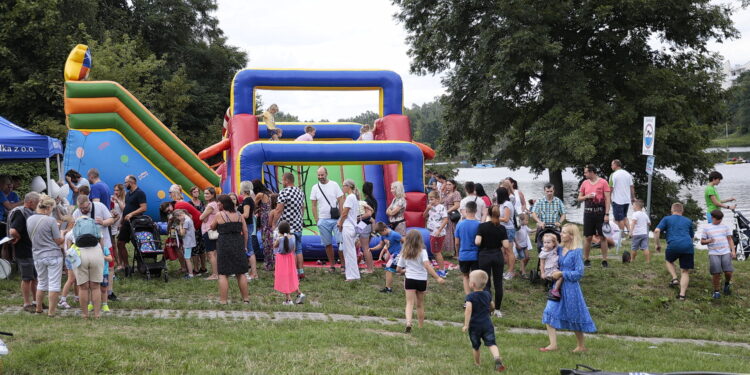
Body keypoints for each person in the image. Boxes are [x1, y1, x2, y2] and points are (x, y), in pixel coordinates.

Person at [540, 224, 596, 352]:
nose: (561, 234)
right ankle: (553, 344)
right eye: (562, 232)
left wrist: (562, 273)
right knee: (549, 311)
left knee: (574, 315)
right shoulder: (559, 249)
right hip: (557, 287)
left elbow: (579, 273)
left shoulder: (576, 252)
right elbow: (547, 254)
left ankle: (581, 346)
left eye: (564, 232)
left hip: (571, 288)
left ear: (571, 236)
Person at [397, 229, 445, 333]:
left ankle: (408, 322)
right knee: (420, 304)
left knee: (409, 303)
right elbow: (427, 265)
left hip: (410, 279)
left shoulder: (404, 252)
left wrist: (405, 270)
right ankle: (420, 326)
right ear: (420, 240)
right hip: (421, 280)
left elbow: (398, 269)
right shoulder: (423, 252)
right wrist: (437, 277)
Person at [72, 195, 114, 313]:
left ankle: (108, 293)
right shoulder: (76, 213)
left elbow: (111, 219)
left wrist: (104, 222)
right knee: (89, 282)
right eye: (81, 209)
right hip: (84, 250)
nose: (84, 211)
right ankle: (92, 304)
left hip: (103, 245)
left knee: (108, 270)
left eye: (85, 208)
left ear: (89, 203)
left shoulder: (100, 206)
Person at [26, 195, 65, 316]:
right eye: (52, 209)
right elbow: (58, 240)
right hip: (53, 255)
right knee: (54, 284)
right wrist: (63, 232)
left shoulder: (30, 219)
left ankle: (38, 308)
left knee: (42, 282)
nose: (52, 211)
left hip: (37, 255)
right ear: (47, 208)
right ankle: (51, 312)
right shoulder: (51, 220)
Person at [462, 270, 506, 372]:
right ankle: (496, 357)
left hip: (475, 326)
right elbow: (492, 306)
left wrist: (466, 325)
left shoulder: (470, 297)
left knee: (476, 346)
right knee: (491, 343)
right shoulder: (487, 294)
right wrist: (490, 310)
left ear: (472, 284)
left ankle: (477, 364)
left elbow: (468, 310)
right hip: (487, 324)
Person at [211, 194, 250, 304]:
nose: (218, 204)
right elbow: (245, 232)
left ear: (223, 204)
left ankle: (223, 301)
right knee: (241, 273)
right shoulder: (239, 215)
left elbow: (212, 227)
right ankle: (246, 299)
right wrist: (245, 246)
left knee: (223, 273)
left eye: (219, 203)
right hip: (238, 244)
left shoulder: (219, 215)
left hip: (224, 245)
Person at [475, 205, 512, 318]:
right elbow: (505, 245)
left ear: (489, 214)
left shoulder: (482, 226)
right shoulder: (501, 228)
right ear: (498, 215)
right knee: (498, 283)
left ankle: (489, 306)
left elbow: (477, 242)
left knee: (486, 283)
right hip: (497, 256)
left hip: (484, 256)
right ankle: (497, 309)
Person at [653, 203, 694, 301]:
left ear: (672, 211)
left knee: (669, 260)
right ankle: (682, 295)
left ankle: (675, 278)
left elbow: (656, 231)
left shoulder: (667, 219)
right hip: (688, 246)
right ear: (682, 211)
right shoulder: (688, 221)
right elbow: (692, 237)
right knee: (685, 271)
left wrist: (657, 244)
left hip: (673, 245)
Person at [7, 192, 40, 312]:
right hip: (23, 250)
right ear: (30, 202)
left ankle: (37, 301)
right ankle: (27, 303)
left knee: (35, 277)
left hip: (32, 249)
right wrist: (19, 237)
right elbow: (13, 230)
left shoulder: (30, 212)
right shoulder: (20, 213)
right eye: (37, 202)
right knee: (27, 278)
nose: (38, 205)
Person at [309, 167, 344, 272]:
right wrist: (317, 220)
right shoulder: (315, 187)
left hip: (336, 218)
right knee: (327, 244)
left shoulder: (334, 185)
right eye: (319, 175)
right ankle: (332, 266)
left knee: (340, 243)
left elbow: (341, 200)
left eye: (322, 175)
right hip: (323, 220)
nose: (320, 177)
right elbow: (313, 205)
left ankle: (343, 265)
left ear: (326, 174)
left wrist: (341, 217)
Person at [578, 164, 611, 268]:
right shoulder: (584, 183)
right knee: (588, 237)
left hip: (600, 213)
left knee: (603, 237)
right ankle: (586, 259)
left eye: (586, 172)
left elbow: (608, 199)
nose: (584, 174)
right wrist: (586, 196)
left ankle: (604, 260)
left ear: (592, 172)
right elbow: (579, 198)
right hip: (588, 213)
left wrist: (607, 214)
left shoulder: (603, 182)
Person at [274, 173, 306, 279]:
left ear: (287, 181)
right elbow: (302, 208)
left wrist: (274, 223)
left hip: (286, 226)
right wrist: (299, 219)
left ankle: (292, 272)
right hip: (297, 224)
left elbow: (279, 209)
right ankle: (300, 271)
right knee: (298, 249)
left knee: (289, 250)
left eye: (283, 180)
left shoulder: (284, 192)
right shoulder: (300, 192)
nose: (282, 182)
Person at [700, 209, 736, 299]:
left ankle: (727, 284)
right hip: (713, 253)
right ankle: (716, 291)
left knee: (728, 272)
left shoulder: (725, 227)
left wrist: (733, 251)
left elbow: (730, 239)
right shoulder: (706, 228)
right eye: (718, 219)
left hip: (725, 251)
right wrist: (708, 241)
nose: (720, 221)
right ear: (712, 218)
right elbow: (702, 242)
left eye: (721, 219)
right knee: (716, 273)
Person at [116, 175, 147, 275]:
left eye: (126, 182)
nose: (125, 184)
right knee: (120, 243)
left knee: (137, 245)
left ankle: (141, 264)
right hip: (126, 222)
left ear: (131, 182)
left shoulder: (140, 193)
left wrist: (131, 214)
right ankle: (126, 266)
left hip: (135, 222)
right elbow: (126, 208)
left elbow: (143, 208)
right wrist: (121, 221)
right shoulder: (128, 194)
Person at [273, 221, 306, 305]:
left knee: (284, 278)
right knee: (291, 276)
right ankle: (299, 293)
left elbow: (274, 245)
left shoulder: (280, 239)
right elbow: (294, 249)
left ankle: (288, 299)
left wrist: (277, 237)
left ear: (279, 230)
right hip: (290, 258)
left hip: (281, 260)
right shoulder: (293, 237)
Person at [455, 201, 480, 295]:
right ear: (476, 211)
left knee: (465, 276)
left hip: (464, 255)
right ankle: (476, 296)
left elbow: (457, 243)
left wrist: (457, 254)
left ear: (466, 210)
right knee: (476, 277)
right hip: (476, 255)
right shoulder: (479, 225)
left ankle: (468, 299)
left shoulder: (460, 224)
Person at [338, 179, 361, 281]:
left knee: (348, 252)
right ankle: (354, 274)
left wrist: (340, 223)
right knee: (350, 251)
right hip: (352, 226)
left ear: (348, 187)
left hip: (348, 226)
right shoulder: (353, 197)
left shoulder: (350, 198)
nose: (342, 187)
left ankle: (352, 275)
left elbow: (344, 213)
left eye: (344, 186)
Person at [371, 222, 403, 293]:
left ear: (385, 229)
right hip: (392, 255)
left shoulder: (394, 234)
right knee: (397, 270)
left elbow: (404, 241)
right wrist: (372, 249)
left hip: (397, 254)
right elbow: (380, 245)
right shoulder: (383, 235)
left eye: (381, 233)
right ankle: (407, 271)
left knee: (388, 269)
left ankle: (388, 289)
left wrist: (403, 252)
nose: (381, 235)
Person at [424, 191, 448, 277]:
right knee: (435, 251)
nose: (430, 201)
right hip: (432, 232)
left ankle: (442, 271)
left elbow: (445, 219)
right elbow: (424, 216)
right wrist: (427, 209)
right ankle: (443, 269)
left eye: (432, 199)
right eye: (429, 199)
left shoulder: (441, 207)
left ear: (437, 199)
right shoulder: (431, 207)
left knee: (437, 252)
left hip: (438, 233)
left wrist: (439, 230)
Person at [253, 180, 275, 271]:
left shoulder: (259, 195)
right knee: (272, 239)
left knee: (266, 240)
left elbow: (253, 205)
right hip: (273, 216)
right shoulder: (270, 192)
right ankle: (274, 262)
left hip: (265, 218)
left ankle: (268, 264)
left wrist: (257, 210)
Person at [239, 181, 259, 280]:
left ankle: (254, 273)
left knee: (249, 249)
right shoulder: (250, 199)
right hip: (248, 224)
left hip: (247, 225)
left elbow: (246, 215)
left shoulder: (247, 200)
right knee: (248, 248)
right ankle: (252, 272)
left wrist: (235, 216)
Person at [495, 187, 516, 280]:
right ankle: (508, 270)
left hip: (508, 229)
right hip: (502, 229)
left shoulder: (507, 204)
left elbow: (506, 219)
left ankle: (511, 272)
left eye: (496, 194)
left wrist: (494, 218)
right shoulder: (502, 204)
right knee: (505, 252)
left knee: (509, 251)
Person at [199, 187, 220, 280]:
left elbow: (201, 217)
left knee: (211, 254)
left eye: (208, 193)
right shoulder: (215, 204)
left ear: (212, 195)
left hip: (209, 231)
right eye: (204, 193)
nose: (205, 195)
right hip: (213, 230)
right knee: (215, 253)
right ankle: (218, 272)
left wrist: (202, 216)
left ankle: (215, 274)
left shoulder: (211, 205)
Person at [609, 160, 635, 235]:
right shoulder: (627, 174)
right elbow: (632, 187)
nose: (611, 166)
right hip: (626, 200)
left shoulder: (613, 175)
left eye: (612, 165)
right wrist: (633, 197)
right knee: (624, 217)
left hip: (618, 200)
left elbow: (610, 188)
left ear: (616, 165)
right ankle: (630, 232)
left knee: (619, 219)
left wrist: (609, 198)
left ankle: (621, 235)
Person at [188, 185, 207, 275]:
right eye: (194, 191)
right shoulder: (189, 203)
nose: (196, 193)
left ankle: (203, 267)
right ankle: (196, 268)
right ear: (191, 193)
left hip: (202, 228)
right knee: (194, 249)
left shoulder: (202, 203)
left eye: (197, 191)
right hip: (193, 228)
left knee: (202, 248)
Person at [359, 182, 378, 273]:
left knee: (365, 248)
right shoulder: (374, 201)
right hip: (371, 226)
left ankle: (369, 269)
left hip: (365, 225)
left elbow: (367, 215)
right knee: (366, 247)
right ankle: (370, 267)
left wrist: (358, 218)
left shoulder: (366, 201)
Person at [441, 179, 461, 256]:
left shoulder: (456, 193)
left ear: (454, 185)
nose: (448, 186)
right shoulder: (446, 193)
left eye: (450, 184)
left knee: (453, 233)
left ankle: (457, 253)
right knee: (447, 232)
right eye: (447, 184)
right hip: (445, 215)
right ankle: (447, 250)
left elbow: (457, 205)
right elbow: (440, 201)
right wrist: (442, 192)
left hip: (452, 215)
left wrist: (447, 211)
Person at [539, 233, 563, 301]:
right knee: (561, 276)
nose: (546, 244)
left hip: (555, 268)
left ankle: (554, 287)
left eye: (548, 242)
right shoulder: (543, 253)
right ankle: (555, 290)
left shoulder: (555, 249)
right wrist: (542, 273)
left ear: (554, 243)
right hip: (549, 270)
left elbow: (559, 245)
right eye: (544, 242)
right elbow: (542, 264)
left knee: (560, 274)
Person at [175, 209, 196, 279]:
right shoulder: (188, 218)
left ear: (180, 215)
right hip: (190, 240)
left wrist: (180, 225)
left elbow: (182, 233)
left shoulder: (186, 221)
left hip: (188, 242)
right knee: (188, 257)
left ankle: (190, 274)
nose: (178, 219)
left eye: (178, 218)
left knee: (187, 258)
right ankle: (190, 272)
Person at [514, 213, 531, 278]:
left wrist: (537, 229)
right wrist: (517, 244)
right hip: (519, 246)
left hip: (525, 245)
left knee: (527, 258)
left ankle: (522, 269)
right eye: (526, 220)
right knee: (522, 258)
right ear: (521, 220)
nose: (527, 221)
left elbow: (530, 231)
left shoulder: (525, 226)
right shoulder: (518, 227)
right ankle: (523, 273)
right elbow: (514, 237)